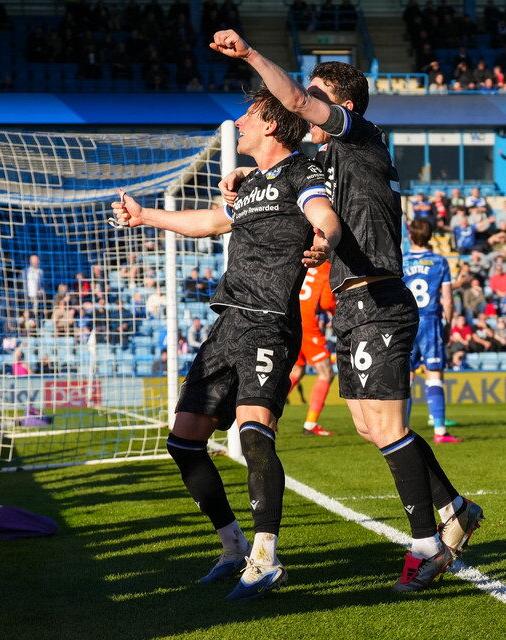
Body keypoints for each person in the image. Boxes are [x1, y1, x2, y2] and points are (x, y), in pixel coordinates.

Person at [211, 31, 484, 592]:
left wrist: (252, 56)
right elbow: (291, 174)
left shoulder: (360, 137)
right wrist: (249, 174)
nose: (301, 104)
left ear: (344, 106)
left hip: (380, 297)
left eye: (314, 96)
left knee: (386, 425)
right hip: (353, 302)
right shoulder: (325, 159)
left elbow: (290, 106)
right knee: (367, 425)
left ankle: (427, 546)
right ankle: (456, 507)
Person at [111, 86, 342, 602]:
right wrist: (147, 216)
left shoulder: (301, 174)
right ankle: (233, 546)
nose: (239, 122)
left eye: (248, 116)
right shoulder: (250, 184)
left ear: (271, 126)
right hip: (227, 324)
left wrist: (325, 239)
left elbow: (323, 213)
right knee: (183, 440)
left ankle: (265, 559)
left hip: (268, 323)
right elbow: (211, 222)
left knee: (255, 432)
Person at [403, 219, 462, 444]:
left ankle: (402, 430)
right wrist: (447, 325)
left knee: (405, 378)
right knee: (434, 375)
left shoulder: (402, 260)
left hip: (408, 323)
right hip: (430, 322)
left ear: (410, 234)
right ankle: (440, 431)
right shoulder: (439, 262)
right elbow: (448, 299)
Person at [287, 261, 337, 436]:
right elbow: (326, 302)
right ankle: (310, 424)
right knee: (326, 373)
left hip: (291, 317)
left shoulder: (303, 262)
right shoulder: (326, 269)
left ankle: (267, 414)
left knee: (296, 371)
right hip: (308, 324)